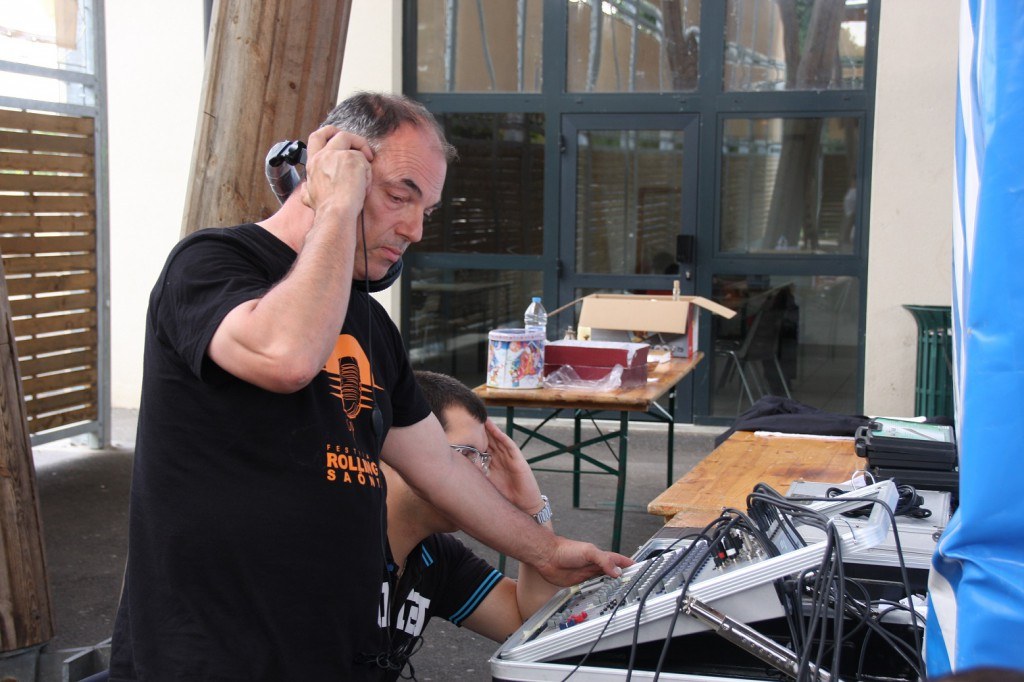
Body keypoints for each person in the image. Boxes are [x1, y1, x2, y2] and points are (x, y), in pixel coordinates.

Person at [108, 92, 631, 681]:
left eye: (426, 209)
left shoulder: (371, 325)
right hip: (207, 660)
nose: (414, 229)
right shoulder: (211, 263)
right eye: (399, 196)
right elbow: (287, 356)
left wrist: (545, 549)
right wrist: (334, 208)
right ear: (332, 168)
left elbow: (442, 468)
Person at [378, 371, 560, 679]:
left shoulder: (437, 557)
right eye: (465, 455)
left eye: (484, 459)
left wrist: (529, 507)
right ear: (400, 448)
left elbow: (531, 627)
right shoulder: (332, 545)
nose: (483, 475)